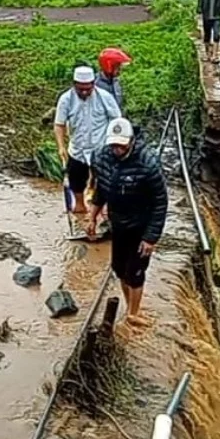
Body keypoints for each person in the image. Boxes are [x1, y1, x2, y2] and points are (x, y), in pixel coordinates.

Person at [87, 117, 168, 324]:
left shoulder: (148, 164)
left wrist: (151, 238)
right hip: (119, 224)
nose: (117, 150)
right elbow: (101, 190)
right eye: (113, 145)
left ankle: (134, 313)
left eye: (121, 146)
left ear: (131, 141)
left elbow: (160, 203)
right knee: (119, 268)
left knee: (135, 271)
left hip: (141, 225)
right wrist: (92, 217)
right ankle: (129, 304)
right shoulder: (102, 157)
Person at [54, 66, 121, 214]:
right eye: (80, 89)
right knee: (76, 179)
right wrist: (61, 147)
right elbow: (59, 125)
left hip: (101, 147)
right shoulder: (66, 99)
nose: (84, 92)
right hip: (78, 147)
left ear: (93, 84)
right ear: (74, 85)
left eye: (87, 89)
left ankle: (100, 209)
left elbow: (117, 121)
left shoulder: (105, 98)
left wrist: (115, 145)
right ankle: (80, 205)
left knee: (104, 181)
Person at [95, 48, 131, 113]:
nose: (120, 70)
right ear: (109, 66)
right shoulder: (97, 84)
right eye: (118, 67)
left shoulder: (115, 81)